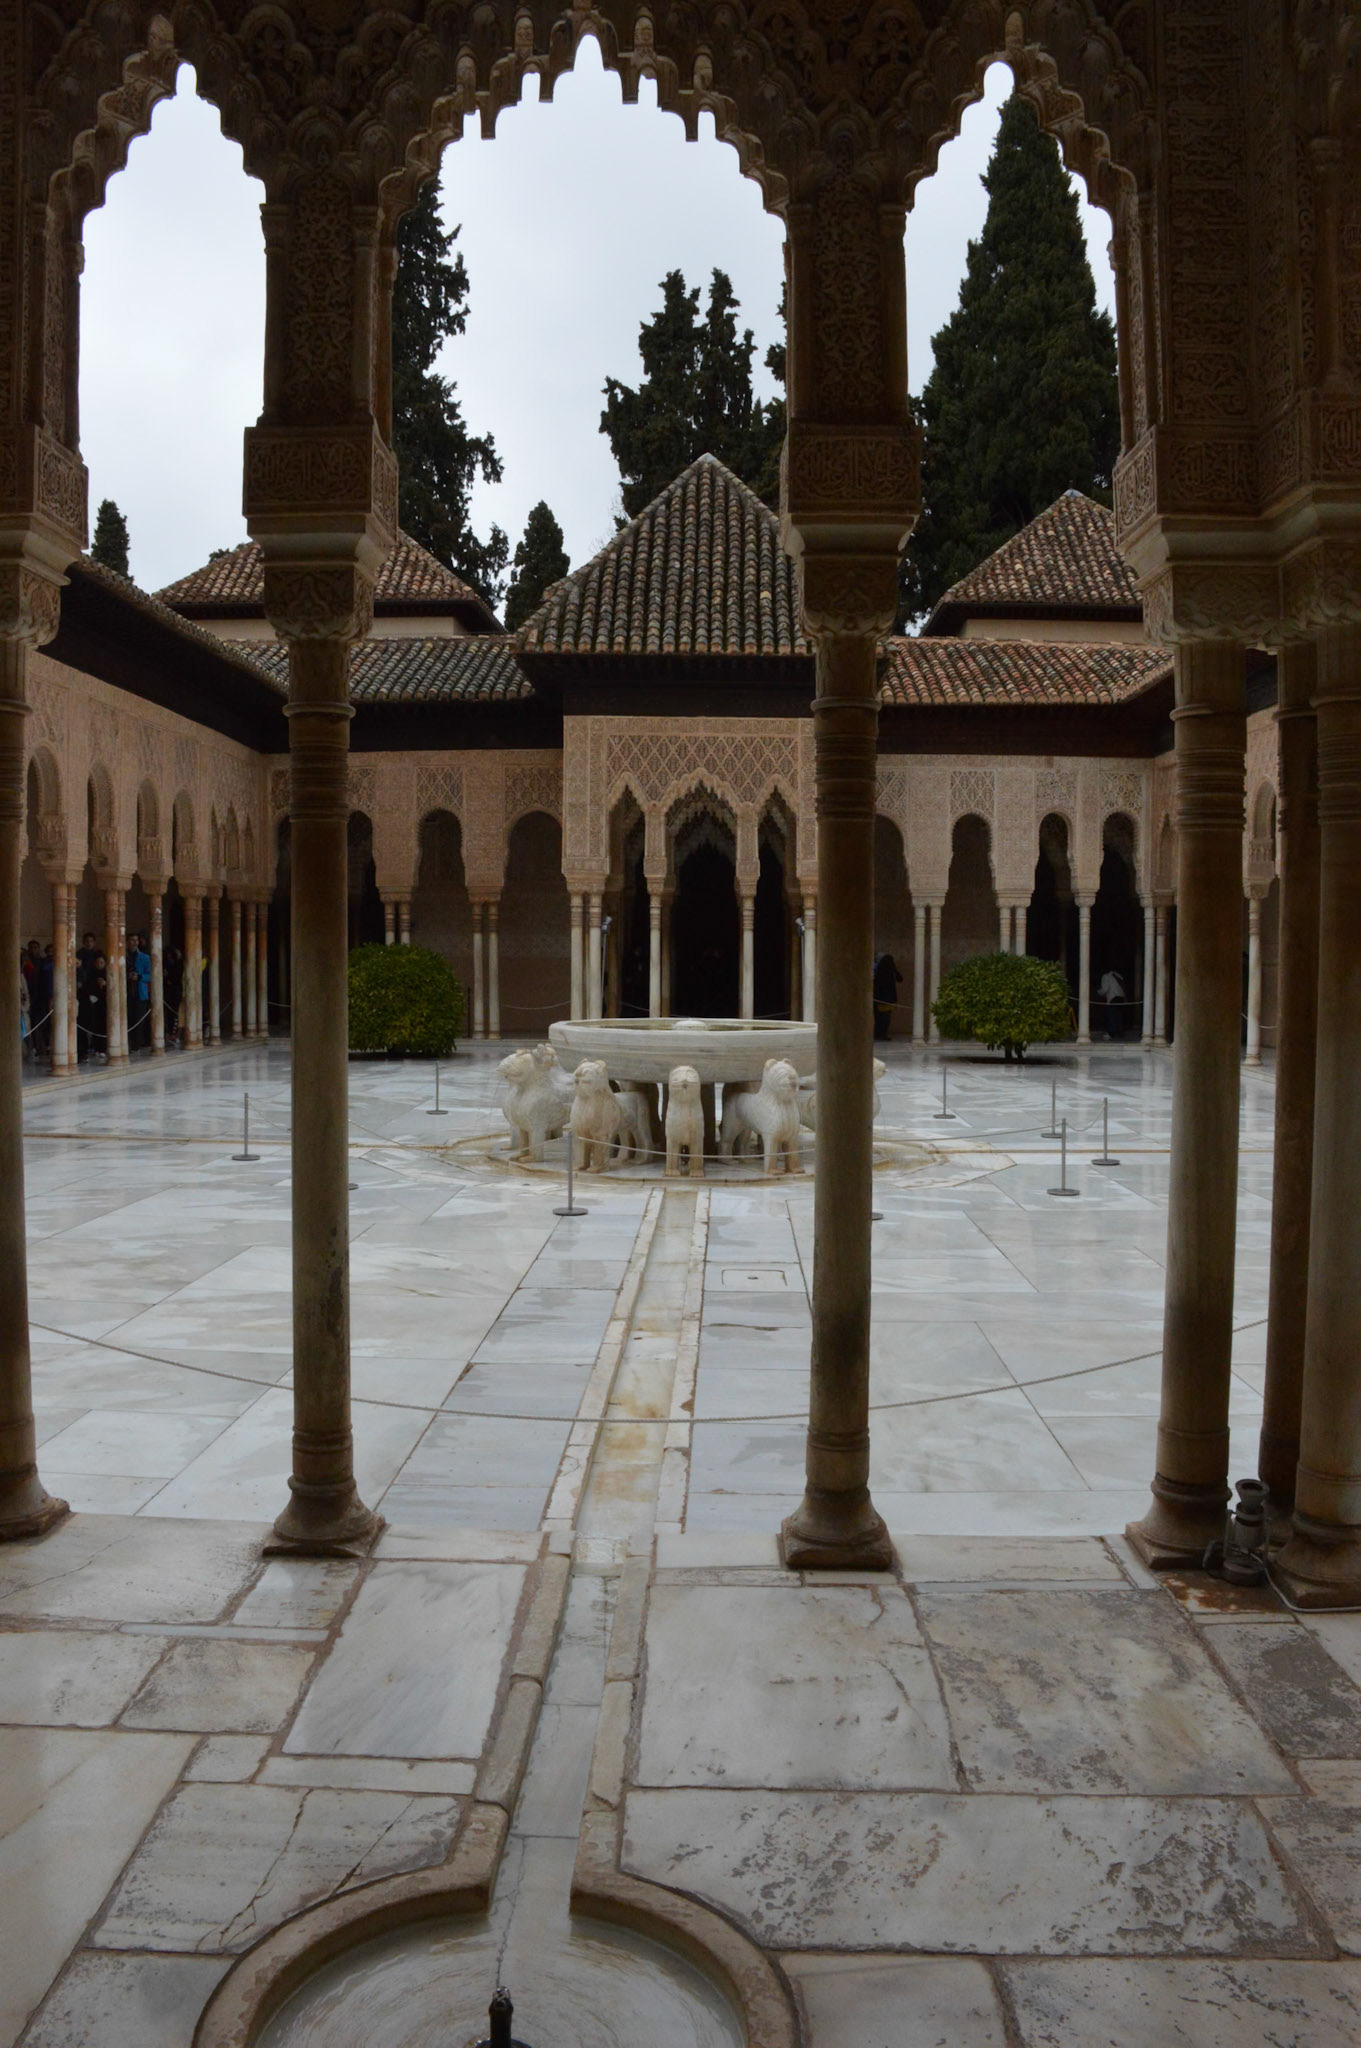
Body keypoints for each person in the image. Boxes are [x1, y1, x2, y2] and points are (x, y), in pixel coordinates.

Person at [79, 949, 107, 1061]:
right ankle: (95, 1047)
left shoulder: (107, 973)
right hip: (93, 1005)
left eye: (101, 963)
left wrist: (105, 984)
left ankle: (103, 1048)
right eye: (97, 963)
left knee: (104, 1026)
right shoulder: (90, 973)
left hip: (105, 1004)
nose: (99, 965)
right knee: (95, 1025)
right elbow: (86, 987)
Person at [128, 931, 151, 1052]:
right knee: (127, 1019)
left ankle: (136, 1045)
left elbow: (150, 975)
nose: (134, 943)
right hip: (126, 992)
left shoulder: (145, 957)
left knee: (138, 1020)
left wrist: (139, 977)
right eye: (132, 940)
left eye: (136, 940)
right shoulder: (123, 956)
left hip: (139, 993)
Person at [873, 952, 902, 1041]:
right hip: (886, 1000)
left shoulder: (879, 971)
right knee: (884, 1019)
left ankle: (879, 1035)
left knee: (879, 1019)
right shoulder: (888, 971)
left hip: (879, 1000)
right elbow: (900, 978)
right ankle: (881, 1034)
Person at [1097, 966, 1127, 1039]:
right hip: (1121, 997)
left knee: (1111, 1015)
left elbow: (1105, 989)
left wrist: (1098, 992)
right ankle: (1120, 1032)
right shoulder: (1117, 975)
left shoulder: (1106, 976)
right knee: (1118, 1015)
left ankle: (1111, 1033)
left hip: (1113, 997)